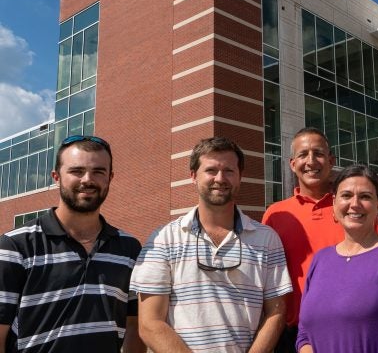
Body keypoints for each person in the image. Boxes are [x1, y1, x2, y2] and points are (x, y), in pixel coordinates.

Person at [130, 137, 292, 352]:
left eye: (229, 171)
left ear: (240, 177)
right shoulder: (162, 239)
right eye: (211, 170)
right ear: (193, 176)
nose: (220, 178)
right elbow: (150, 324)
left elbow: (276, 313)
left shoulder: (266, 239)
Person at [0, 135, 145, 353]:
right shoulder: (16, 245)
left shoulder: (129, 249)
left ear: (110, 178)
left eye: (98, 171)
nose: (87, 179)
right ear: (56, 177)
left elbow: (135, 326)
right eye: (76, 171)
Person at [262, 127, 378, 352]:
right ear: (292, 164)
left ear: (331, 160)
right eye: (303, 154)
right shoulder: (276, 214)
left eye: (318, 153)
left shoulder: (353, 210)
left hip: (348, 331)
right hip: (291, 334)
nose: (311, 161)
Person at [296, 164, 378, 353]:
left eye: (365, 196)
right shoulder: (320, 260)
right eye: (346, 195)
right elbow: (304, 333)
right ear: (334, 203)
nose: (354, 204)